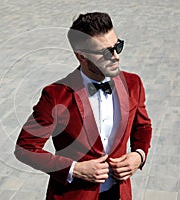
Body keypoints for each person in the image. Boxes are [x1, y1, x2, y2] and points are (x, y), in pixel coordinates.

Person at [14, 12, 152, 200]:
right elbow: (25, 148)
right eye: (105, 52)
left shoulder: (133, 84)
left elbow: (142, 126)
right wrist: (73, 169)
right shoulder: (56, 96)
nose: (116, 56)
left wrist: (139, 155)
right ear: (81, 57)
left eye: (118, 46)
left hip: (120, 194)